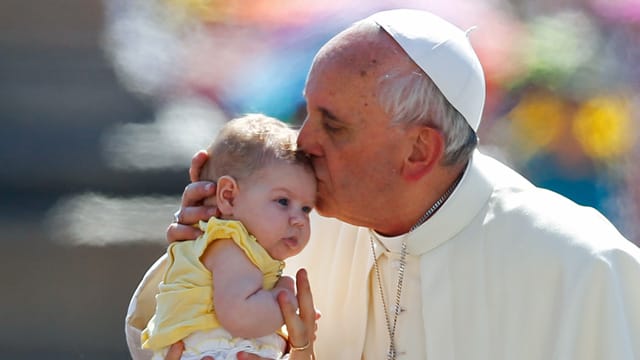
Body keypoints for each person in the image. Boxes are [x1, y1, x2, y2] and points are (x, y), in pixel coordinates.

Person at [127, 8, 640, 360]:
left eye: (333, 124)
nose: (302, 141)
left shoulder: (582, 268)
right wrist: (199, 258)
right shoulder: (286, 229)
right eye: (305, 113)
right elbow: (165, 343)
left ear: (418, 151)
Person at [137, 114, 317, 360]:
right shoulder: (230, 246)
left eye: (306, 208)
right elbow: (240, 316)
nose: (299, 219)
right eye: (283, 201)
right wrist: (284, 300)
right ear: (229, 196)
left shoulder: (246, 250)